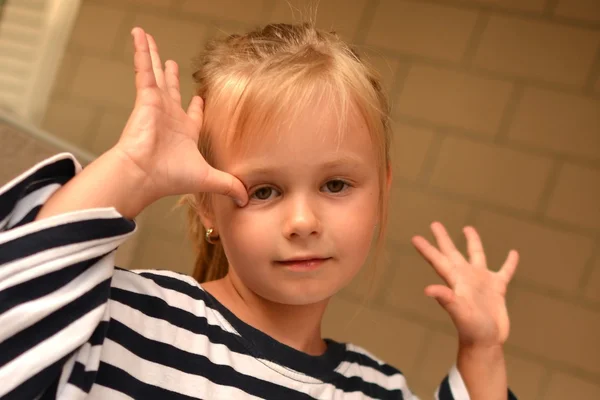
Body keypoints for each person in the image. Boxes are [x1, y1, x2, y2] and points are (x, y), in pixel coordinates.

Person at [0, 23, 519, 399]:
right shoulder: (120, 319)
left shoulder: (375, 389)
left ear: (382, 190)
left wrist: (482, 351)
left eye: (335, 184)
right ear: (207, 203)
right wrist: (132, 170)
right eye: (265, 191)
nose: (303, 222)